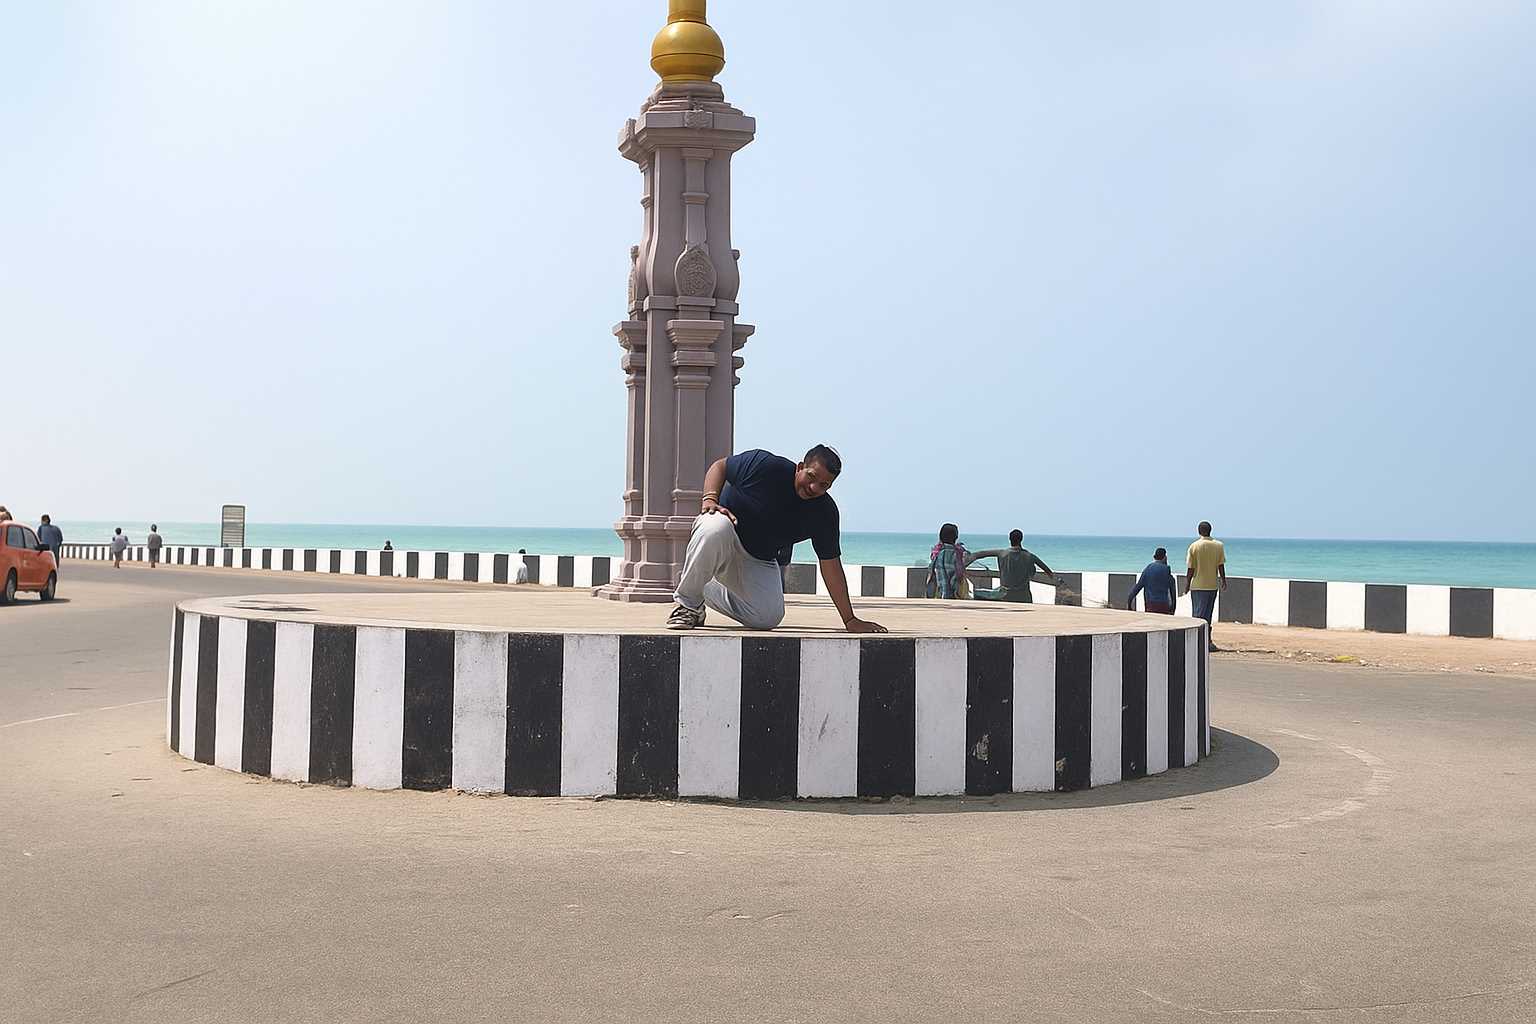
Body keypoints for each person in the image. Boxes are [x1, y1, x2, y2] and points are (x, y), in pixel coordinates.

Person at [666, 445, 887, 633]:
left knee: (767, 617)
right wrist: (709, 500)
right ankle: (688, 605)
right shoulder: (765, 466)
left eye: (824, 485)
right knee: (714, 525)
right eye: (811, 477)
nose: (813, 487)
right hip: (725, 534)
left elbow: (830, 565)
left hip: (757, 558)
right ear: (800, 467)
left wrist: (849, 620)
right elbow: (720, 466)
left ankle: (701, 586)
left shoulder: (824, 513)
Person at [966, 530, 1060, 603]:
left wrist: (964, 561)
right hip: (1024, 597)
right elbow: (1048, 571)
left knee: (977, 594)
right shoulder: (1030, 556)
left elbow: (979, 554)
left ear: (1010, 539)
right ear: (1021, 539)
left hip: (1005, 596)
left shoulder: (1002, 553)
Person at [1186, 521, 1227, 651]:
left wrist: (1187, 583)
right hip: (1212, 585)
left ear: (1199, 531)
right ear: (1210, 530)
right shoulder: (1218, 545)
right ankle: (1207, 641)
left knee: (1198, 614)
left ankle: (1197, 641)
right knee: (1208, 614)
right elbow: (1221, 565)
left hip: (1198, 585)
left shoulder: (1194, 546)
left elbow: (1190, 568)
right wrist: (1223, 580)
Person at [1127, 547, 1177, 613]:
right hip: (1164, 605)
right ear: (1165, 557)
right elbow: (1173, 594)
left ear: (1154, 557)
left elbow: (1137, 588)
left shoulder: (1148, 569)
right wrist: (1173, 609)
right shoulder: (1167, 571)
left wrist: (1129, 603)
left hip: (1150, 605)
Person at [926, 523, 964, 599]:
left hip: (938, 592)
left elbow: (931, 572)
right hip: (955, 593)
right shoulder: (958, 553)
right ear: (955, 537)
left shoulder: (936, 553)